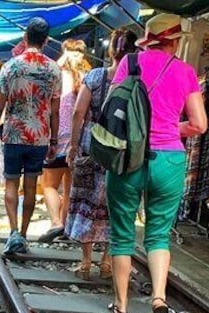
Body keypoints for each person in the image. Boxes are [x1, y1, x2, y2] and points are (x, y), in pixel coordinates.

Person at [104, 13, 208, 313]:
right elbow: (200, 125)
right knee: (159, 234)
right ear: (176, 42)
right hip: (169, 161)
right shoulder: (186, 72)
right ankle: (159, 297)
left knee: (122, 234)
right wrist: (170, 128)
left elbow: (112, 108)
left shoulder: (129, 64)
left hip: (129, 158)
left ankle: (121, 306)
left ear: (149, 40)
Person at [0, 17, 62, 255]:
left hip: (14, 134)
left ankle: (13, 232)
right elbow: (55, 111)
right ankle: (25, 234)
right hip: (39, 136)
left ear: (25, 37)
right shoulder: (54, 69)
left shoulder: (11, 66)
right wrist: (54, 141)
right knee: (30, 186)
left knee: (11, 183)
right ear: (46, 40)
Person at [65, 29, 138, 280]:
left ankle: (86, 262)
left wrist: (73, 145)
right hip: (121, 150)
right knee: (113, 204)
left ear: (111, 50)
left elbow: (78, 113)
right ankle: (106, 263)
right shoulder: (137, 81)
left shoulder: (95, 76)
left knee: (86, 200)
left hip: (92, 145)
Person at [38, 39, 91, 244]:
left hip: (57, 138)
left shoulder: (57, 74)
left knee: (49, 184)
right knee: (69, 187)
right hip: (78, 141)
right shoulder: (88, 76)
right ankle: (67, 226)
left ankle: (55, 222)